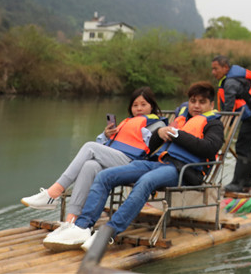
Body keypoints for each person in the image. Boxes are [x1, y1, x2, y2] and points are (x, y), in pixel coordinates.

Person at [42, 81, 224, 252]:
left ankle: (109, 232)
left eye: (202, 102)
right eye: (193, 101)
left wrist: (177, 135)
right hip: (157, 163)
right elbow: (151, 148)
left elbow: (209, 149)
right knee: (105, 177)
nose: (196, 106)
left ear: (211, 104)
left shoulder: (214, 124)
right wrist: (159, 134)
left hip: (181, 171)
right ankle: (82, 227)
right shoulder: (182, 119)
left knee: (145, 182)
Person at [20, 87, 166, 223]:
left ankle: (52, 193)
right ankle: (71, 220)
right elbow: (104, 144)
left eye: (143, 104)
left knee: (89, 147)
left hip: (134, 163)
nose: (139, 108)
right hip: (117, 159)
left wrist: (153, 134)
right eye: (135, 105)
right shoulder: (127, 122)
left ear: (151, 106)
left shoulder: (157, 125)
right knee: (90, 165)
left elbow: (153, 147)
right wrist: (106, 135)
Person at [210, 55, 251, 193]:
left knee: (243, 147)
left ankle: (238, 184)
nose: (213, 72)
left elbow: (228, 108)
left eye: (216, 69)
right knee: (247, 147)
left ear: (225, 68)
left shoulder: (230, 83)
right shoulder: (232, 79)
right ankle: (246, 183)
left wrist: (221, 128)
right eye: (212, 69)